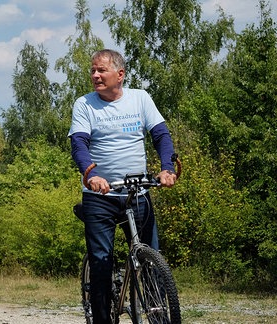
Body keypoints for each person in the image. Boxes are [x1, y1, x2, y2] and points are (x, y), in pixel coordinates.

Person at [68, 49, 177, 323]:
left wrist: (167, 168)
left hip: (137, 192)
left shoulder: (140, 98)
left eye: (101, 70)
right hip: (100, 195)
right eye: (92, 70)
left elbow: (161, 135)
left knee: (151, 263)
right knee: (101, 264)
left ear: (120, 74)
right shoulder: (85, 104)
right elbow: (79, 143)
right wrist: (90, 174)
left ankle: (157, 316)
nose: (95, 75)